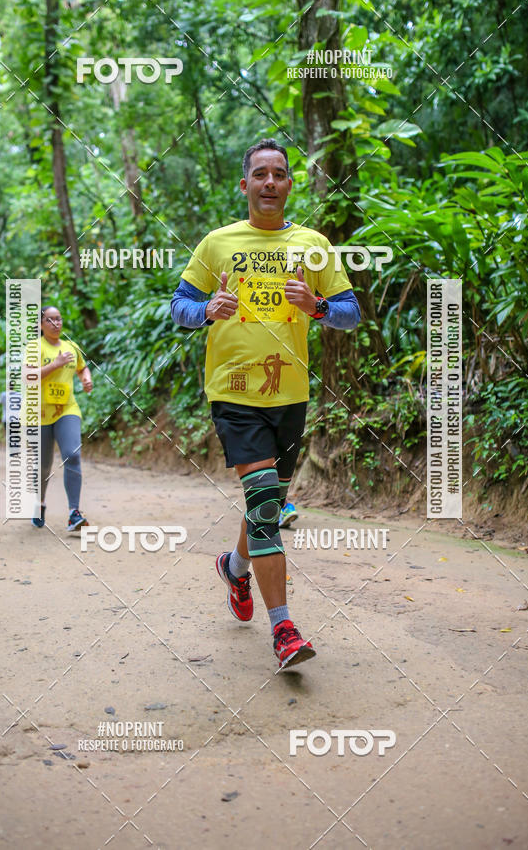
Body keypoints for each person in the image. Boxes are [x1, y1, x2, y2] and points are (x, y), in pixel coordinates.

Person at [171, 138, 361, 669]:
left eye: (279, 174)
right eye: (260, 174)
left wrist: (318, 305)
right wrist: (207, 307)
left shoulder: (314, 245)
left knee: (266, 508)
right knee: (264, 507)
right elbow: (178, 307)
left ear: (290, 184)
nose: (270, 182)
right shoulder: (217, 243)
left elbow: (351, 312)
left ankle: (234, 568)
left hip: (290, 395)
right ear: (245, 184)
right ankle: (284, 630)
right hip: (234, 394)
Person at [26, 306, 93, 531]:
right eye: (50, 320)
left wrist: (86, 380)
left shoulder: (71, 347)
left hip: (67, 409)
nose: (56, 323)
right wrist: (55, 364)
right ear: (41, 324)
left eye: (59, 319)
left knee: (72, 455)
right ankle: (40, 503)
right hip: (39, 413)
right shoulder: (34, 347)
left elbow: (83, 368)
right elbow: (28, 377)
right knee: (43, 466)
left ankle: (74, 513)